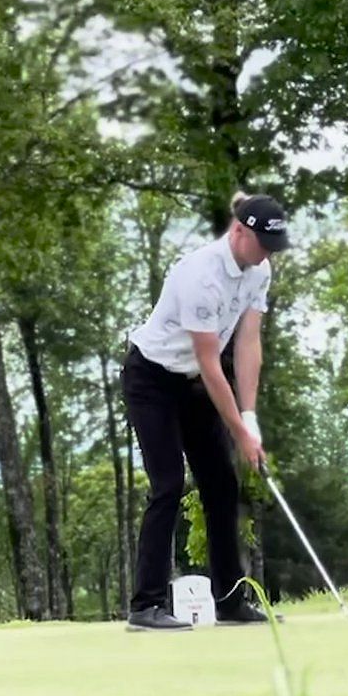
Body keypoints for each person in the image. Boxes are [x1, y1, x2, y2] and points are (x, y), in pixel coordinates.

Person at [121, 191, 289, 630]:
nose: (267, 255)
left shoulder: (259, 269)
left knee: (220, 484)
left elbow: (249, 344)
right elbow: (212, 363)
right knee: (168, 484)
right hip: (152, 379)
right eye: (263, 244)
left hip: (193, 384)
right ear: (239, 231)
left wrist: (249, 419)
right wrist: (239, 432)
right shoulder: (200, 274)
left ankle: (230, 600)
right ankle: (146, 605)